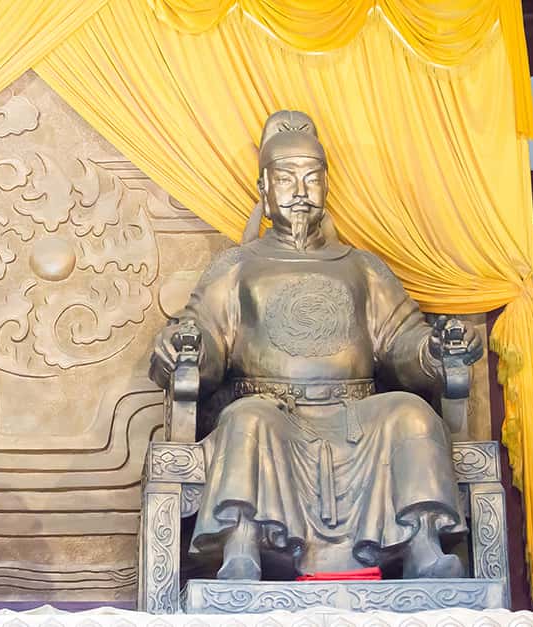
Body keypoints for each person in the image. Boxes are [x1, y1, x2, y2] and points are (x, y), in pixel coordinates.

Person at [151, 111, 483, 580]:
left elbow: (401, 338)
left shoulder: (361, 267)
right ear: (264, 189)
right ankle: (242, 547)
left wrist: (435, 350)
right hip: (272, 410)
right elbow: (203, 330)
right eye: (286, 179)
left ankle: (422, 545)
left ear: (327, 186)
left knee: (410, 414)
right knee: (248, 420)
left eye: (312, 178)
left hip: (356, 415)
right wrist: (185, 346)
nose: (300, 191)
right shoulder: (238, 266)